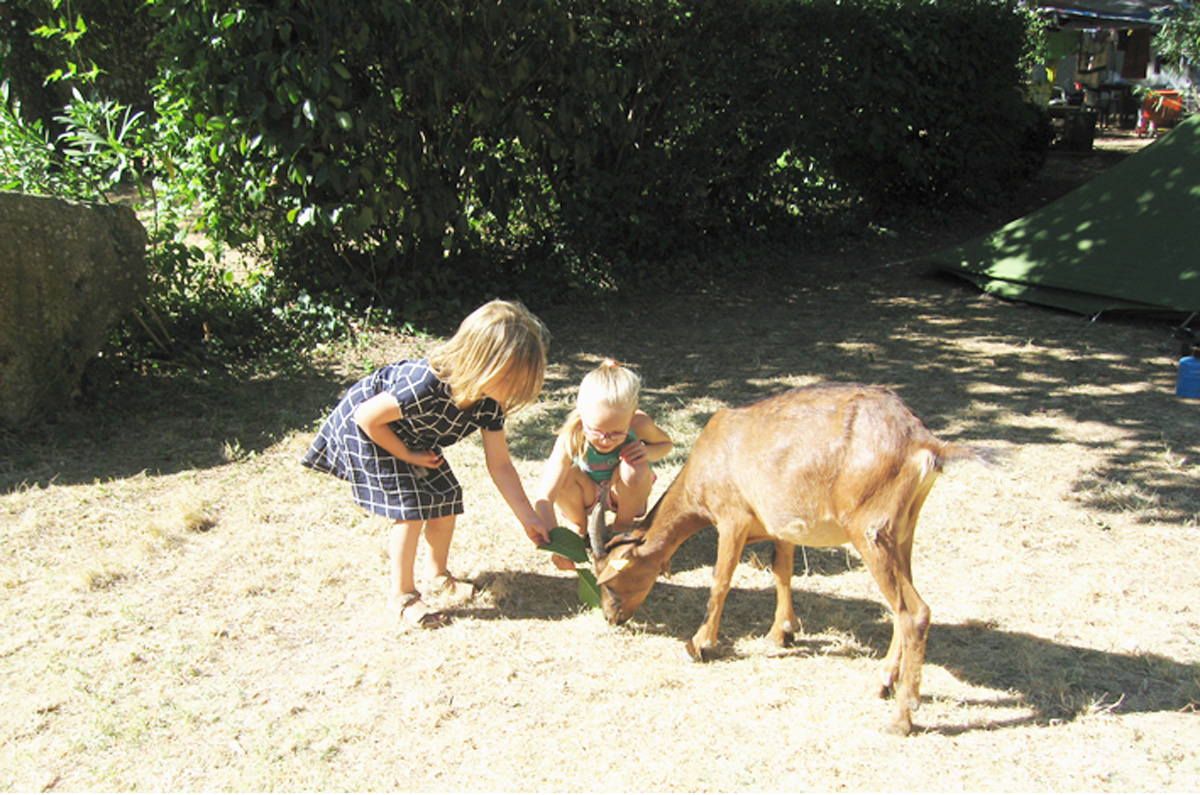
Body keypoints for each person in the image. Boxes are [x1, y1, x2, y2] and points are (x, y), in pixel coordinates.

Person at [302, 299, 551, 629]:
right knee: (411, 508)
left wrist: (527, 516)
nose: (515, 389)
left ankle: (437, 575)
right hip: (370, 430)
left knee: (446, 496)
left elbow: (501, 464)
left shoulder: (490, 403)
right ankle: (402, 596)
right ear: (481, 361)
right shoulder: (425, 386)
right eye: (511, 379)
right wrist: (407, 455)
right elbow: (366, 417)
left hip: (411, 439)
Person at [535, 360, 673, 547]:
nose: (606, 439)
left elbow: (666, 445)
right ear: (581, 415)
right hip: (586, 492)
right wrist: (556, 543)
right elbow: (545, 496)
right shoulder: (572, 435)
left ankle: (622, 526)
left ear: (631, 417)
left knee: (636, 468)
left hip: (623, 490)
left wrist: (647, 452)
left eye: (616, 433)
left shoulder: (640, 424)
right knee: (564, 474)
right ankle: (579, 526)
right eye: (596, 431)